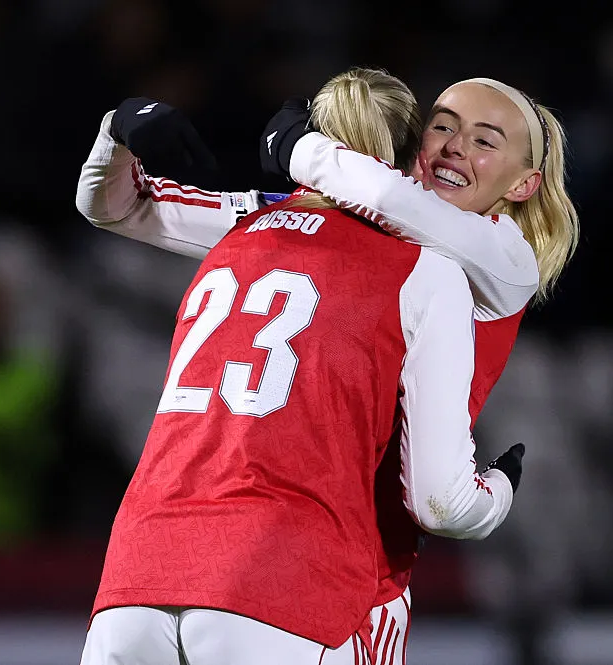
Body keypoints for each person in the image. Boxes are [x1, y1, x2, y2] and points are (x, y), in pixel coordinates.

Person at [76, 71, 579, 664]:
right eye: (441, 127)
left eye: (485, 140)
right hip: (322, 580)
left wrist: (301, 150)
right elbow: (441, 502)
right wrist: (494, 494)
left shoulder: (503, 258)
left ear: (525, 184)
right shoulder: (419, 264)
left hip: (143, 566)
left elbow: (116, 206)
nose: (454, 146)